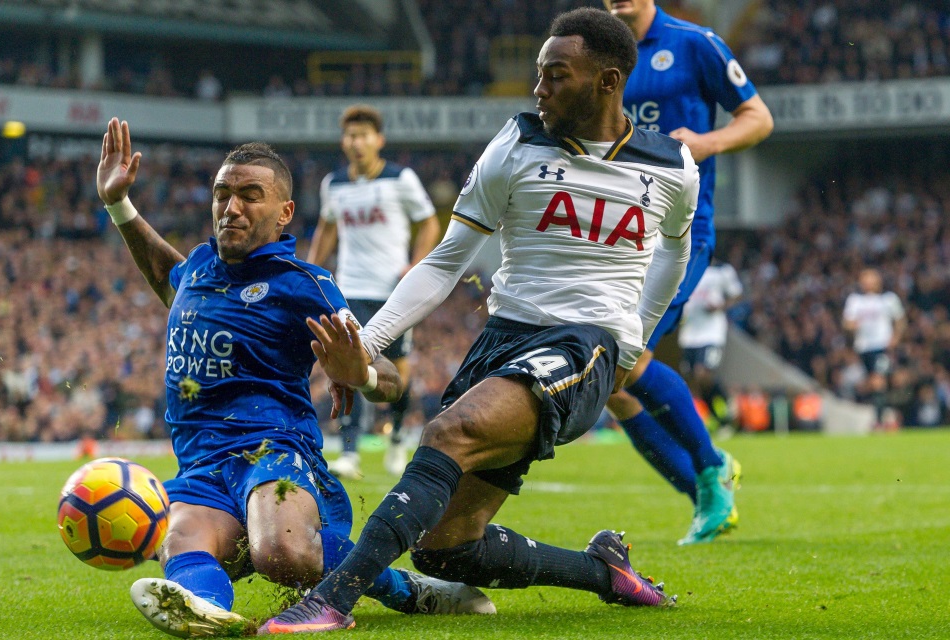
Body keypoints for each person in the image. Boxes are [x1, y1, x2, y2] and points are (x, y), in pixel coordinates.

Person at [263, 8, 697, 633]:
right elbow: (445, 263)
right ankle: (603, 571)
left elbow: (675, 251)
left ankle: (332, 601)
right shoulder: (517, 144)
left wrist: (635, 341)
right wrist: (365, 342)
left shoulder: (673, 166)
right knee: (445, 545)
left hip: (586, 343)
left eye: (557, 75)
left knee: (448, 432)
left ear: (608, 81)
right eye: (539, 74)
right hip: (503, 338)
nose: (539, 88)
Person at [94, 117, 494, 638]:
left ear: (284, 213)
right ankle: (206, 611)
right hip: (203, 466)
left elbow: (391, 377)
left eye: (249, 196)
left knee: (280, 554)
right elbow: (168, 280)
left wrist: (365, 373)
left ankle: (408, 590)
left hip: (275, 453)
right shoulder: (197, 268)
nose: (231, 207)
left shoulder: (304, 285)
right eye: (222, 194)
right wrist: (119, 204)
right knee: (179, 542)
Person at [603, 0, 774, 545]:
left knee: (623, 358)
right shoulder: (597, 50)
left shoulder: (694, 43)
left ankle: (709, 469)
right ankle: (707, 488)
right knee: (614, 383)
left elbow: (758, 117)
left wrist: (706, 143)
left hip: (678, 232)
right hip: (615, 232)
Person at [308, 104, 440, 479]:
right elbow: (326, 230)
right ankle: (349, 452)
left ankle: (398, 436)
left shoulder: (401, 179)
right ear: (343, 141)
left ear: (378, 140)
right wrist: (310, 271)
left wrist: (414, 267)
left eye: (364, 135)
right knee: (353, 366)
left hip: (393, 291)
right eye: (351, 135)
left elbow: (429, 224)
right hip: (349, 289)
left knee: (397, 373)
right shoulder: (334, 185)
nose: (357, 142)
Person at [677, 260, 743, 429]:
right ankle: (718, 419)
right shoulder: (686, 269)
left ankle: (727, 401)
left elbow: (736, 294)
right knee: (693, 379)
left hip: (711, 333)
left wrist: (721, 306)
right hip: (689, 333)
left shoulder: (722, 270)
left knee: (703, 373)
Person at [842, 268, 906, 428]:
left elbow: (900, 320)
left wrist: (895, 338)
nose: (868, 282)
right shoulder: (855, 300)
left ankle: (878, 422)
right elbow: (847, 322)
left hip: (882, 346)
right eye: (865, 278)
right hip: (864, 348)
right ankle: (888, 415)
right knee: (873, 383)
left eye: (871, 278)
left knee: (878, 381)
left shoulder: (888, 299)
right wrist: (852, 326)